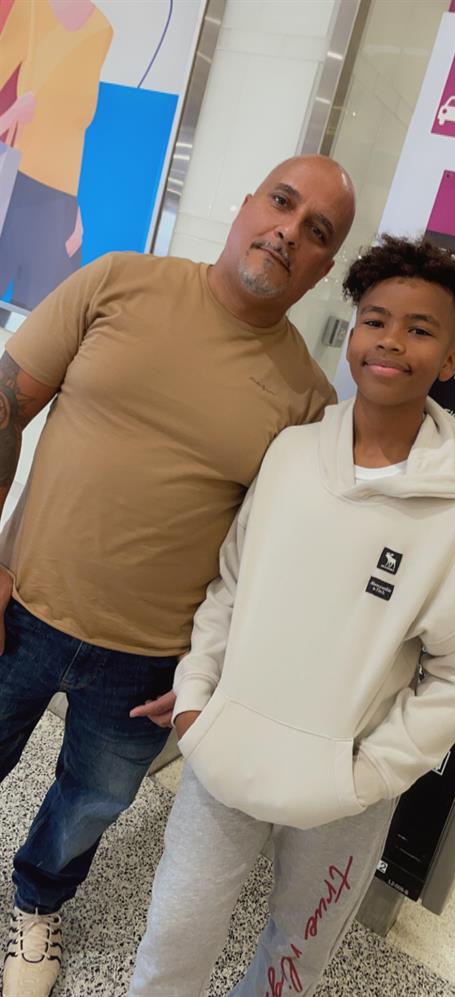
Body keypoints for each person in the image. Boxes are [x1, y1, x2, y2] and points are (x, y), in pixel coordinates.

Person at [0, 154, 356, 997]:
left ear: (322, 269)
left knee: (89, 802)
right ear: (244, 202)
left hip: (147, 659)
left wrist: (214, 668)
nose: (287, 232)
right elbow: (8, 402)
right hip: (20, 602)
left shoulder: (305, 399)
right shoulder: (121, 283)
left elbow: (273, 558)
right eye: (281, 201)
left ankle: (38, 907)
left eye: (316, 232)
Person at [129, 235, 455, 997]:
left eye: (419, 328)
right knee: (176, 928)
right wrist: (199, 699)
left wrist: (368, 771)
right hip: (226, 752)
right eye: (374, 319)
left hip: (343, 788)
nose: (390, 341)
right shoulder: (292, 455)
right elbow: (230, 586)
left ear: (450, 362)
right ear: (352, 332)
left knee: (295, 953)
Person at [0, 0, 113, 309]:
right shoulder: (30, 9)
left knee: (38, 327)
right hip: (12, 183)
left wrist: (74, 208)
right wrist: (11, 114)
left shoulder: (102, 29)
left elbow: (75, 129)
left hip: (58, 200)